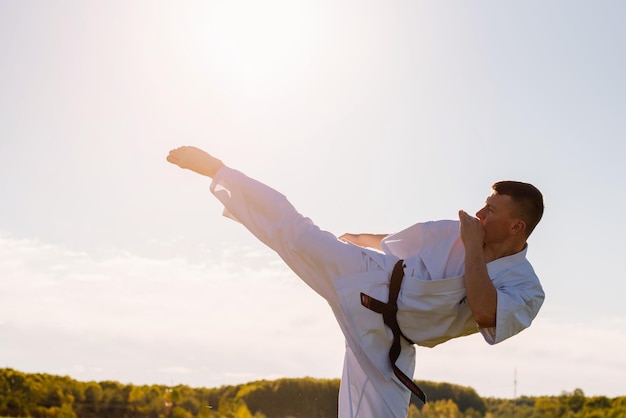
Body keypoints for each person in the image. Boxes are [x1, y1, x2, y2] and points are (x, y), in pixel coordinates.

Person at [166, 145, 545, 418]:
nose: (478, 213)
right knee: (297, 235)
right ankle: (219, 171)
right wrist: (357, 240)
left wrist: (471, 247)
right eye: (482, 204)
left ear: (517, 226)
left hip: (390, 344)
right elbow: (396, 248)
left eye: (490, 210)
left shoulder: (525, 289)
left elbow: (485, 313)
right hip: (371, 279)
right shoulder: (452, 231)